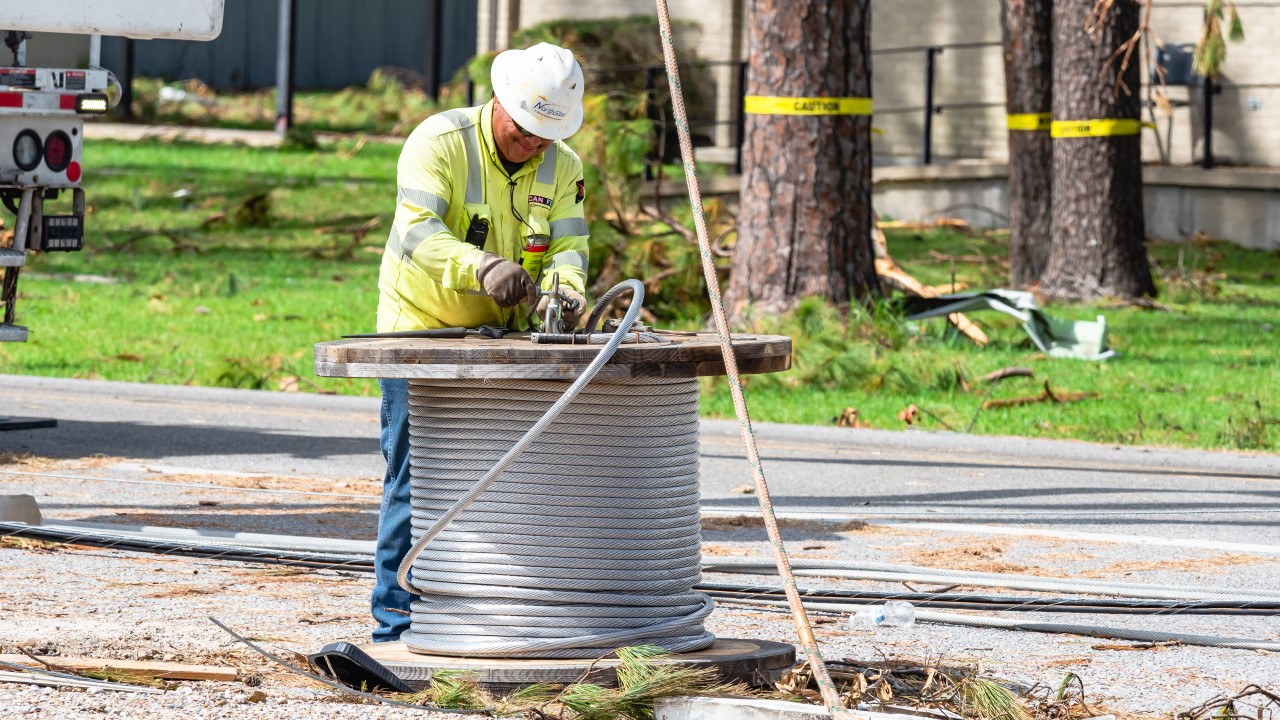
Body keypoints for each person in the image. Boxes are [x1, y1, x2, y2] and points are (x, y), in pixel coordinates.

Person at [370, 42, 590, 642]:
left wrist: (565, 289)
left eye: (547, 136)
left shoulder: (561, 164)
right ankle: (399, 624)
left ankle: (495, 617)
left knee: (511, 481)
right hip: (421, 331)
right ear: (500, 103)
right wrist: (482, 268)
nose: (534, 144)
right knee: (419, 478)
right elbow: (416, 232)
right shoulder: (440, 142)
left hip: (504, 338)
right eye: (524, 132)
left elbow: (569, 245)